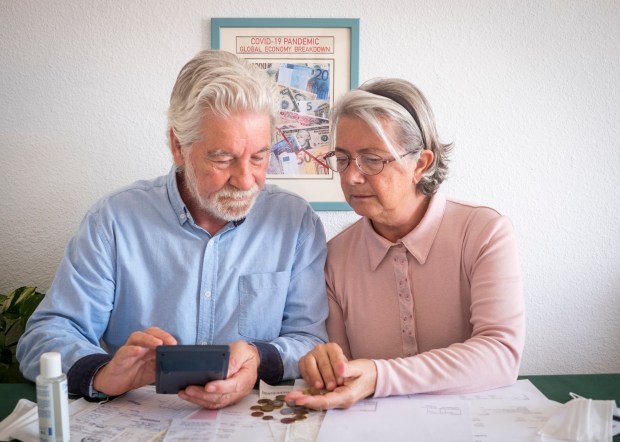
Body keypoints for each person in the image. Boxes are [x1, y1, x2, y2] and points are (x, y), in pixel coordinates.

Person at [17, 50, 329, 409]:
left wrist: (260, 359)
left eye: (259, 157)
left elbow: (309, 338)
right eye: (223, 157)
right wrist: (103, 373)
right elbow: (46, 335)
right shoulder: (115, 220)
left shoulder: (296, 222)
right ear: (177, 146)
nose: (246, 180)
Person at [285, 78, 525, 410]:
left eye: (372, 160)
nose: (352, 176)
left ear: (421, 164)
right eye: (342, 159)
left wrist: (379, 376)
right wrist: (323, 365)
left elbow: (500, 355)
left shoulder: (484, 232)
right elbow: (344, 373)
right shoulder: (335, 256)